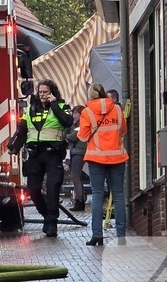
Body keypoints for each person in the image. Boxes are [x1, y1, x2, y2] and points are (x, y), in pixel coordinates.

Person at [9, 78, 72, 237]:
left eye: (46, 92)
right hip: (35, 154)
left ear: (52, 93)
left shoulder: (62, 106)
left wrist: (54, 104)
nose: (43, 95)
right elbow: (22, 130)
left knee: (52, 189)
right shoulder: (30, 109)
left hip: (53, 153)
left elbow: (67, 122)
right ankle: (47, 216)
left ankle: (52, 223)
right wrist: (14, 147)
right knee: (33, 189)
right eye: (41, 92)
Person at [80, 82, 128, 246]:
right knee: (119, 195)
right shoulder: (117, 109)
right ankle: (121, 235)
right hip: (117, 157)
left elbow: (83, 136)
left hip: (96, 159)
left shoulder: (86, 112)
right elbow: (123, 130)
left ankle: (97, 236)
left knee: (98, 195)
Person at [65, 105, 87, 212]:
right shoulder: (75, 124)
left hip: (78, 152)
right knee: (76, 177)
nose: (73, 115)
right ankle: (79, 200)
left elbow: (73, 137)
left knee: (75, 177)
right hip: (75, 152)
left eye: (75, 113)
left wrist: (64, 135)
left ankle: (79, 201)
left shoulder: (81, 125)